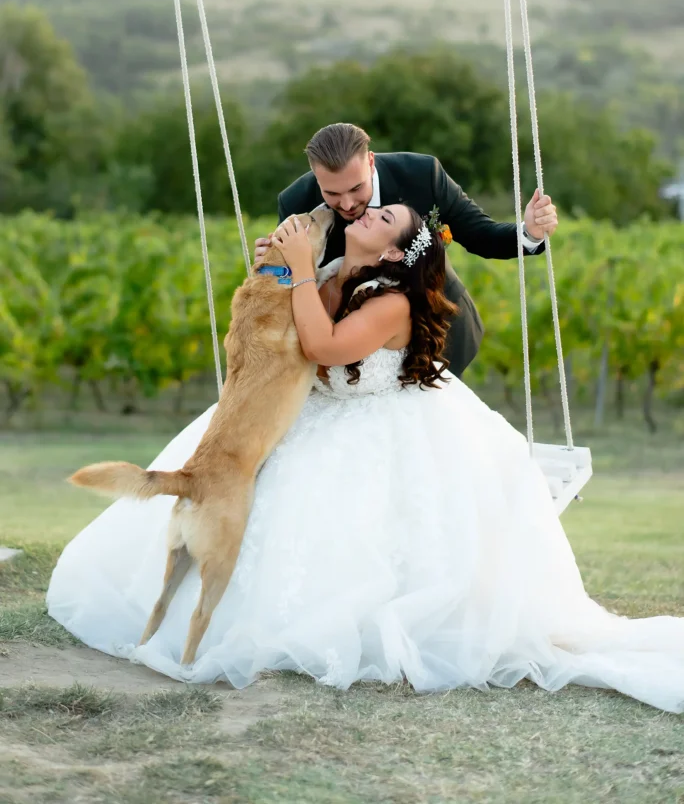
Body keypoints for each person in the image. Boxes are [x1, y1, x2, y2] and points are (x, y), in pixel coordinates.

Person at [47, 204, 684, 712]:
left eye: (383, 218)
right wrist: (276, 268)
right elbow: (285, 329)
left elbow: (322, 348)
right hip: (311, 418)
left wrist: (297, 271)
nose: (367, 213)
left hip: (380, 430)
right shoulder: (334, 275)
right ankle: (175, 621)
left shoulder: (390, 301)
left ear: (389, 250)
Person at [254, 123, 559, 377]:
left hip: (439, 335)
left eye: (356, 188)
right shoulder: (296, 203)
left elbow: (482, 235)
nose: (347, 205)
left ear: (370, 161)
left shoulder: (422, 174)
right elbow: (293, 287)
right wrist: (272, 266)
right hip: (346, 350)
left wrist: (530, 233)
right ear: (315, 176)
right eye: (331, 193)